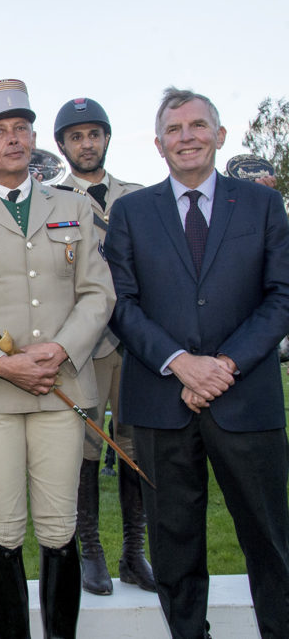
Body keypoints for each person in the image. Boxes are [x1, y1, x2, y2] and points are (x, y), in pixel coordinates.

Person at [0, 80, 114, 639]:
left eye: (21, 129)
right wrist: (3, 364)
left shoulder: (73, 206)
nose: (12, 139)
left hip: (61, 388)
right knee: (5, 529)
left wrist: (59, 350)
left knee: (59, 529)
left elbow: (97, 294)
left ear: (33, 140)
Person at [105, 87, 289, 639]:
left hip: (246, 400)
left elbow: (281, 296)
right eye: (175, 130)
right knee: (174, 543)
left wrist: (223, 365)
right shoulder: (132, 213)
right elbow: (120, 302)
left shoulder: (261, 204)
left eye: (197, 126)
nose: (187, 137)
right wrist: (180, 363)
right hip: (162, 403)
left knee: (270, 540)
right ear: (159, 145)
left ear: (220, 135)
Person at [51, 97, 154, 596]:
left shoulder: (139, 196)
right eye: (76, 136)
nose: (86, 144)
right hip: (84, 342)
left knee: (135, 447)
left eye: (94, 134)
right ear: (61, 145)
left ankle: (134, 553)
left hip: (135, 340)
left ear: (107, 139)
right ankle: (91, 551)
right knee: (88, 447)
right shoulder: (51, 201)